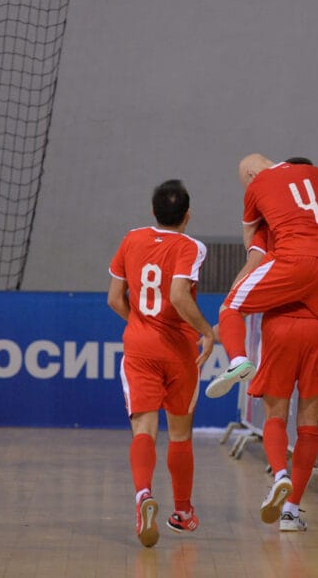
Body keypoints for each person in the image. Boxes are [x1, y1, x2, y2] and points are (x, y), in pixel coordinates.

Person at [208, 155, 318, 401]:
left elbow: (253, 261)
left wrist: (231, 313)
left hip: (283, 316)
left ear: (250, 176)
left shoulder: (267, 217)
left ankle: (237, 359)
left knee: (231, 307)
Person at [107, 179, 216, 547]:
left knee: (144, 431)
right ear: (187, 215)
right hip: (179, 351)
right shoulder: (191, 247)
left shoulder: (132, 238)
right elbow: (179, 296)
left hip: (140, 348)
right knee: (181, 435)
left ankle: (142, 497)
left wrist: (141, 326)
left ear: (153, 212)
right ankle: (183, 512)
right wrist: (207, 331)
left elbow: (114, 299)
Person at [251, 299, 318, 532]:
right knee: (309, 425)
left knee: (275, 415)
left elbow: (249, 276)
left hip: (280, 325)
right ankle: (291, 512)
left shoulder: (274, 258)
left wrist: (230, 311)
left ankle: (281, 475)